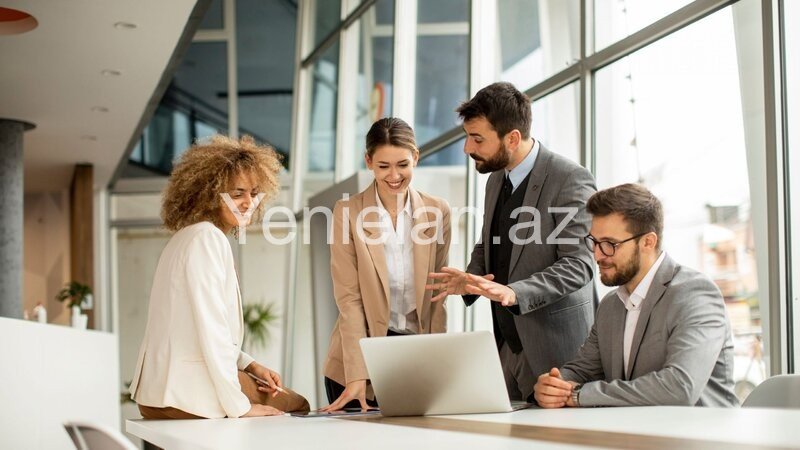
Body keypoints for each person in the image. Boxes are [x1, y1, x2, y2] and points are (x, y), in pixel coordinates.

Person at [426, 82, 596, 402]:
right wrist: (470, 278)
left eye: (477, 139)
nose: (467, 148)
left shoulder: (569, 178)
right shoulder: (495, 179)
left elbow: (579, 265)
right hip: (507, 346)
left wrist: (516, 292)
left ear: (513, 138)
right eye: (467, 136)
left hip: (557, 351)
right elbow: (489, 241)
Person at [129, 135, 310, 419]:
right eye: (237, 194)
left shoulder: (184, 238)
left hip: (156, 395)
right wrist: (240, 407)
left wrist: (250, 365)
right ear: (210, 194)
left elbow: (192, 327)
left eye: (254, 193)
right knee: (298, 404)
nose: (248, 202)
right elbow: (211, 328)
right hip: (187, 395)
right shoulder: (207, 238)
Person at [533, 183, 739, 407]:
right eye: (594, 242)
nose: (598, 255)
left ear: (648, 242)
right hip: (634, 428)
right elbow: (582, 369)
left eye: (610, 244)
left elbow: (680, 387)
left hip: (699, 428)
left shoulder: (695, 294)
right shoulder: (611, 305)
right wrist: (554, 385)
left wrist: (579, 395)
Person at [321, 117, 451, 412]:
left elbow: (438, 295)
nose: (394, 175)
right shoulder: (347, 212)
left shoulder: (437, 211)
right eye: (383, 166)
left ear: (415, 157)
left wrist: (439, 366)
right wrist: (357, 374)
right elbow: (349, 299)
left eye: (402, 164)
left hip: (414, 356)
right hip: (358, 361)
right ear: (368, 161)